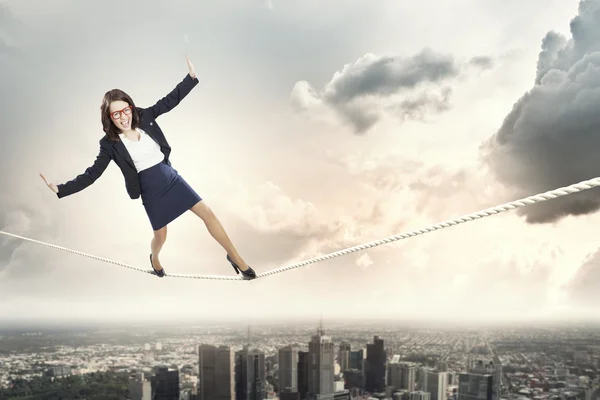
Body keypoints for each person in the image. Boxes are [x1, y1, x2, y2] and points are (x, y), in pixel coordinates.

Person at [39, 55, 256, 280]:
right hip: (150, 191)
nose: (123, 117)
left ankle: (236, 258)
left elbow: (169, 101)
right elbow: (92, 174)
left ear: (131, 108)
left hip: (171, 178)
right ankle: (155, 259)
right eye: (116, 114)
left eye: (126, 110)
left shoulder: (144, 116)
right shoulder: (109, 145)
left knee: (207, 213)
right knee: (161, 236)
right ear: (109, 117)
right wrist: (61, 189)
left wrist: (190, 79)